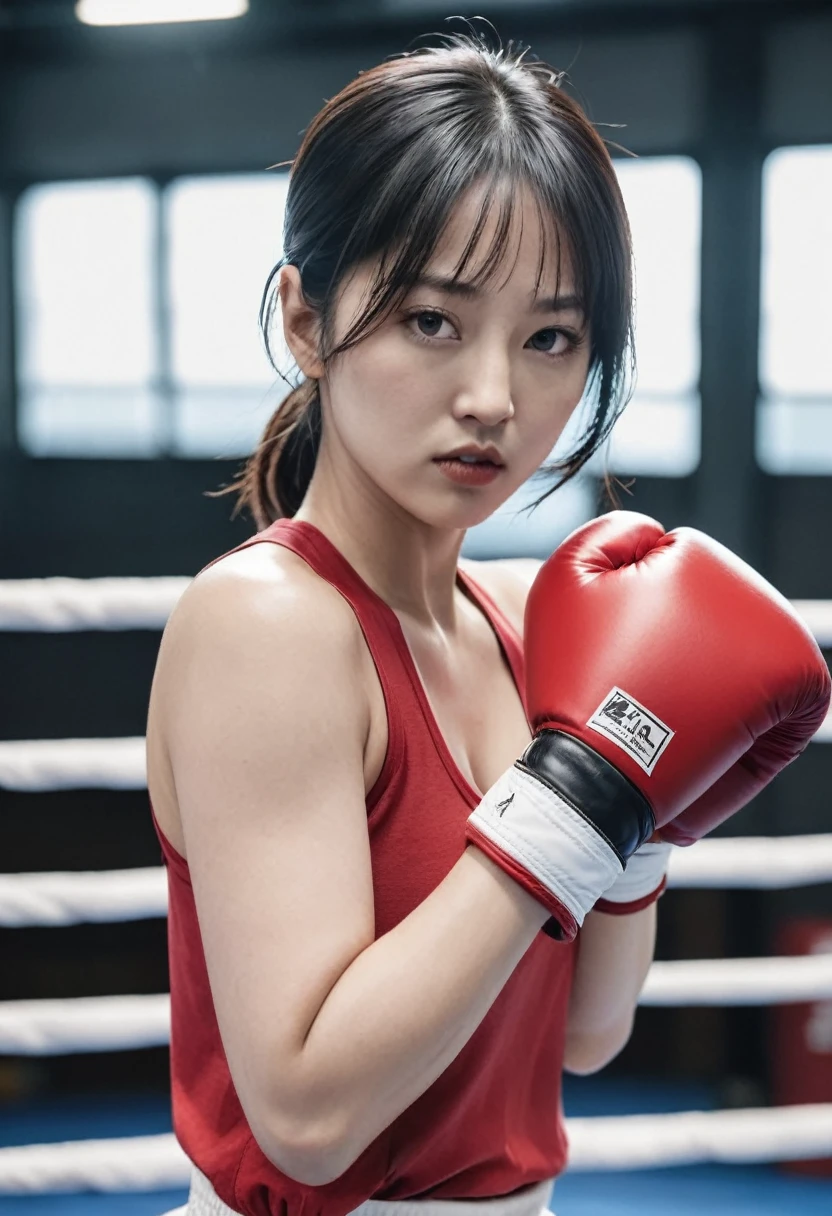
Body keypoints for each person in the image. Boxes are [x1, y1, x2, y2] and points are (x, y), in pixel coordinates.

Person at [145, 29, 830, 1216]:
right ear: (308, 323)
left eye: (551, 338)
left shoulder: (519, 623)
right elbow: (306, 1117)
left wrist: (646, 827)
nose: (494, 398)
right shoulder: (266, 625)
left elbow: (583, 1037)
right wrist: (575, 801)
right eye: (431, 321)